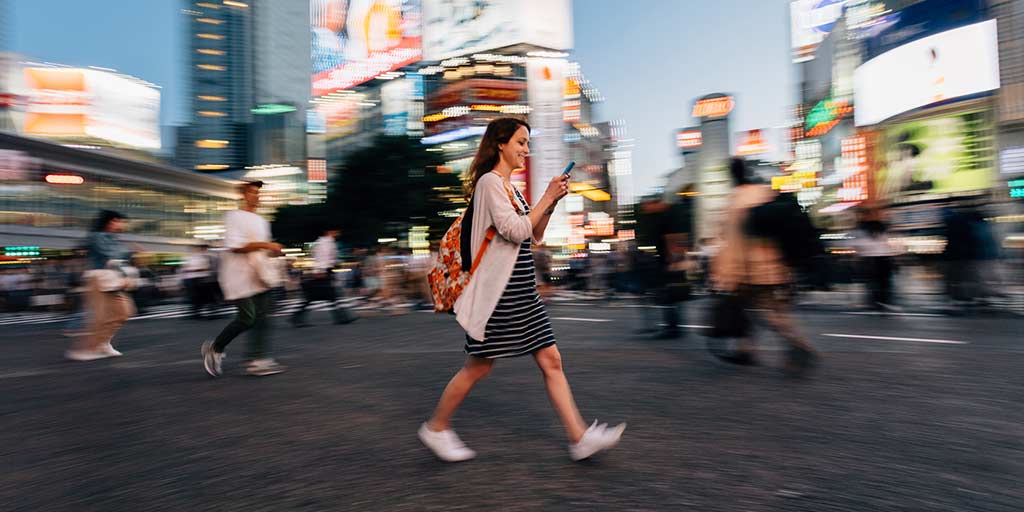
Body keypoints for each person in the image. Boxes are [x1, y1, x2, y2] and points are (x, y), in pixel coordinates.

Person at [418, 117, 625, 463]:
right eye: (521, 142)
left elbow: (533, 234)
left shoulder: (510, 188)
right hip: (499, 296)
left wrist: (553, 201)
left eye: (527, 144)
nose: (526, 150)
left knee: (551, 360)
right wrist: (545, 196)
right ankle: (436, 427)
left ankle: (579, 437)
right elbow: (515, 230)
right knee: (478, 366)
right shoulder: (489, 184)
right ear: (500, 143)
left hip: (521, 292)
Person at [711, 158, 818, 373]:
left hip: (752, 271)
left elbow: (734, 244)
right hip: (777, 266)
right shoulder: (766, 192)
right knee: (752, 310)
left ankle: (799, 345)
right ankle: (745, 350)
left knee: (769, 313)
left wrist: (724, 275)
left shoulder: (735, 201)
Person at [201, 181, 286, 377]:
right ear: (242, 195)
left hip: (259, 275)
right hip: (238, 276)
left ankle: (258, 360)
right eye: (252, 192)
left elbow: (261, 250)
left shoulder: (263, 222)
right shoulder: (234, 217)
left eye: (258, 193)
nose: (257, 196)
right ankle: (215, 348)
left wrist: (273, 252)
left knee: (263, 318)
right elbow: (235, 246)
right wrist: (266, 244)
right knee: (247, 318)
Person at [65, 210, 136, 361]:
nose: (122, 224)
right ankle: (85, 349)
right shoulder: (97, 236)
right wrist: (129, 251)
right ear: (112, 221)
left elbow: (118, 257)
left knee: (124, 312)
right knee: (100, 316)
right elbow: (111, 254)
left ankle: (103, 343)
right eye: (120, 221)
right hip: (97, 279)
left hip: (112, 279)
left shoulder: (112, 238)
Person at [291, 228, 358, 327]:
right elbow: (322, 258)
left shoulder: (323, 242)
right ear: (330, 231)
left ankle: (342, 318)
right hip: (323, 273)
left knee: (326, 297)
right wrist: (321, 272)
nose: (338, 233)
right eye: (336, 231)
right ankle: (342, 318)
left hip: (324, 272)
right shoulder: (325, 243)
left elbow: (326, 258)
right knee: (325, 297)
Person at [181, 244, 217, 319]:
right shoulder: (189, 257)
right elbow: (184, 269)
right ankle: (197, 312)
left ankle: (205, 311)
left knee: (203, 296)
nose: (196, 250)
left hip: (202, 279)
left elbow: (207, 268)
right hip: (193, 279)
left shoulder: (205, 257)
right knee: (196, 296)